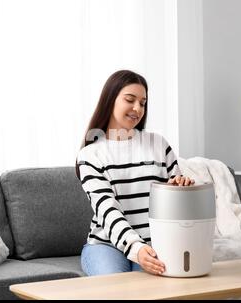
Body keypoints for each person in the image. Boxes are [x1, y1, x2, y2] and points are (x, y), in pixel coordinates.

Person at [75, 70, 194, 276]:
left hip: (155, 244)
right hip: (106, 244)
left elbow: (176, 205)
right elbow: (107, 211)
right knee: (117, 292)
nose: (137, 108)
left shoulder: (158, 145)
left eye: (143, 102)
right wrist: (136, 248)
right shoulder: (90, 155)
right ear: (110, 99)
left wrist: (181, 188)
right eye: (130, 100)